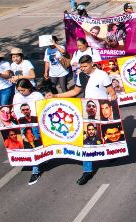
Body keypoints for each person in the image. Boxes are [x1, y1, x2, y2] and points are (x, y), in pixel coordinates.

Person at [44, 55, 116, 186]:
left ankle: (110, 153)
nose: (82, 69)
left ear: (92, 64)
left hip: (102, 109)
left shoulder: (102, 75)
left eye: (85, 66)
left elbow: (111, 91)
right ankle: (87, 171)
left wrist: (112, 99)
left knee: (105, 134)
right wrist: (55, 96)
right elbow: (75, 92)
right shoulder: (81, 75)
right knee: (87, 139)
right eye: (81, 66)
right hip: (88, 110)